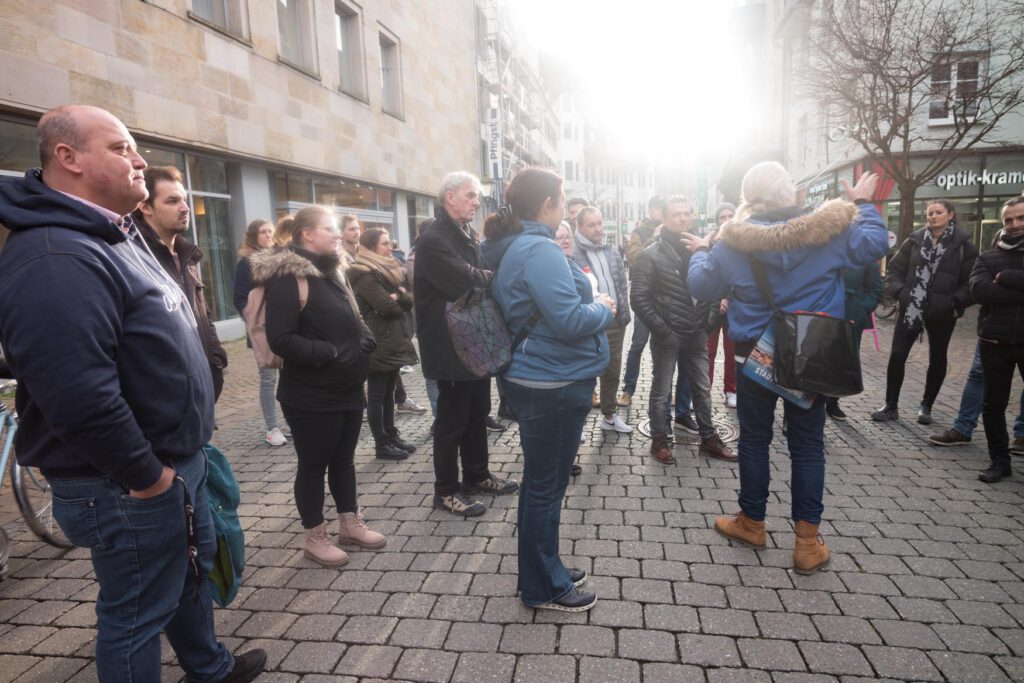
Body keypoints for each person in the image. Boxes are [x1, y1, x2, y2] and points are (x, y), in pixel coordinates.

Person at [0, 104, 265, 682]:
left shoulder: (114, 232)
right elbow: (77, 394)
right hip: (126, 483)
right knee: (137, 612)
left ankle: (209, 667)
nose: (139, 159)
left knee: (186, 575)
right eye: (120, 148)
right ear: (67, 158)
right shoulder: (56, 255)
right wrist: (149, 478)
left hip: (169, 464)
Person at [684, 162, 888, 576]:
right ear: (792, 195)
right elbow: (874, 245)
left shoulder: (730, 242)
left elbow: (701, 286)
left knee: (756, 442)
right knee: (808, 446)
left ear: (748, 198)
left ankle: (752, 523)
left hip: (751, 357)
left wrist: (703, 249)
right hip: (809, 355)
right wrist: (863, 203)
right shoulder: (828, 231)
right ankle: (807, 544)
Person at [480, 167, 614, 612]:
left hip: (541, 376)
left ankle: (544, 567)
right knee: (545, 487)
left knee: (545, 484)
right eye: (561, 198)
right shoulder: (538, 249)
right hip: (551, 381)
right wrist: (603, 308)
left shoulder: (523, 246)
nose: (565, 206)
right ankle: (544, 586)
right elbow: (570, 320)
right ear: (547, 205)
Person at [253, 205, 386, 567]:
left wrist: (365, 337)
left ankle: (349, 524)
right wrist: (329, 352)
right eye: (329, 228)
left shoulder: (335, 270)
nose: (337, 233)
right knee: (313, 466)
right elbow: (282, 338)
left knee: (344, 460)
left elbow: (353, 317)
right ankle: (315, 537)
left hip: (346, 386)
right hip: (310, 393)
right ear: (306, 234)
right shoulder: (287, 276)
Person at [414, 171, 518, 517]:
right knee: (451, 421)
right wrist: (486, 277)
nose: (476, 202)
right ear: (449, 197)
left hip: (471, 340)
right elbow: (465, 281)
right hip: (448, 346)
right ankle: (445, 491)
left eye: (476, 196)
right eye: (471, 195)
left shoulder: (464, 233)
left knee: (477, 413)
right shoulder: (434, 237)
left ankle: (477, 474)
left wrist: (483, 276)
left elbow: (480, 272)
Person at [631, 195, 734, 464]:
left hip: (697, 331)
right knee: (661, 389)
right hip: (668, 334)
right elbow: (639, 298)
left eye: (687, 213)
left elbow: (714, 288)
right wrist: (663, 330)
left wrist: (709, 322)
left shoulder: (702, 250)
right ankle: (660, 440)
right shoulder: (650, 254)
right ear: (664, 218)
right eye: (676, 214)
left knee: (702, 387)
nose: (683, 218)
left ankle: (709, 438)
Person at [871, 198, 977, 424]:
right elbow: (893, 270)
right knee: (898, 355)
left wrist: (954, 302)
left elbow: (971, 282)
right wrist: (903, 293)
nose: (933, 216)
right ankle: (890, 405)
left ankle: (926, 406)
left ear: (950, 215)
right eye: (930, 213)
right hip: (911, 308)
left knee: (937, 357)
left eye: (938, 212)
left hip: (943, 312)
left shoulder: (964, 246)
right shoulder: (914, 241)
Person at [133, 165, 228, 401]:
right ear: (146, 207)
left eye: (184, 200)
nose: (185, 208)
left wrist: (216, 360)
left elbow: (203, 316)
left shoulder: (187, 256)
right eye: (173, 201)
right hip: (166, 402)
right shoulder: (135, 259)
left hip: (201, 394)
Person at [347, 227, 419, 460]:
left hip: (391, 338)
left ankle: (391, 434)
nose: (391, 248)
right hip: (378, 339)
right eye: (385, 244)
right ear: (371, 247)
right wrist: (399, 299)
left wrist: (399, 296)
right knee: (377, 394)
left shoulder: (386, 271)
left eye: (390, 243)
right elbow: (386, 307)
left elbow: (407, 298)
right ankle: (382, 443)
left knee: (389, 393)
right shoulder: (364, 273)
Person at [968, 196, 1024, 483]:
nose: (1014, 224)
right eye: (1008, 219)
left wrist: (1005, 277)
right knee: (993, 404)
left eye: (1020, 218)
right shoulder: (987, 257)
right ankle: (1000, 462)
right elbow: (980, 292)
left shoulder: (996, 266)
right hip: (995, 341)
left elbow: (993, 288)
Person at [570, 206, 633, 433]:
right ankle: (579, 423)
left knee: (612, 370)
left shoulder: (610, 249)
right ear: (579, 226)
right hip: (590, 323)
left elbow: (621, 284)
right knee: (585, 374)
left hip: (615, 321)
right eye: (591, 225)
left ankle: (610, 415)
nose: (598, 229)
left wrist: (623, 313)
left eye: (599, 223)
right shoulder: (573, 252)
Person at [234, 218, 288, 446]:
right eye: (263, 232)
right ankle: (272, 427)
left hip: (285, 326)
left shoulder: (279, 258)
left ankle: (291, 421)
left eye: (270, 231)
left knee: (289, 377)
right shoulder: (246, 262)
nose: (268, 235)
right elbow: (239, 298)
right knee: (267, 378)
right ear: (253, 236)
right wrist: (257, 318)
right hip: (262, 329)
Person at [929, 341, 1024, 452]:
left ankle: (1022, 435)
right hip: (994, 330)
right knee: (978, 373)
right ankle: (962, 429)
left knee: (979, 374)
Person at [620, 195, 665, 405]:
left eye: (662, 208)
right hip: (646, 298)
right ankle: (628, 390)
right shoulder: (640, 232)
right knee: (637, 345)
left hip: (667, 299)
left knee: (666, 349)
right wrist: (655, 238)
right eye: (657, 208)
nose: (660, 212)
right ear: (650, 209)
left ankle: (666, 393)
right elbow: (634, 258)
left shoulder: (672, 231)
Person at [824, 261, 883, 420]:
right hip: (819, 311)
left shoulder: (862, 251)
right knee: (812, 356)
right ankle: (797, 407)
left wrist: (860, 308)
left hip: (850, 313)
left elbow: (875, 289)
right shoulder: (818, 242)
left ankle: (832, 401)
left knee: (842, 360)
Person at [706, 203, 738, 409]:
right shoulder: (710, 244)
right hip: (712, 306)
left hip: (735, 307)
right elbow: (707, 276)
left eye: (730, 216)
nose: (726, 220)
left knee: (732, 352)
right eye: (722, 217)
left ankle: (731, 390)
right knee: (708, 351)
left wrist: (729, 298)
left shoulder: (744, 243)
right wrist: (717, 299)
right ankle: (703, 389)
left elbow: (743, 278)